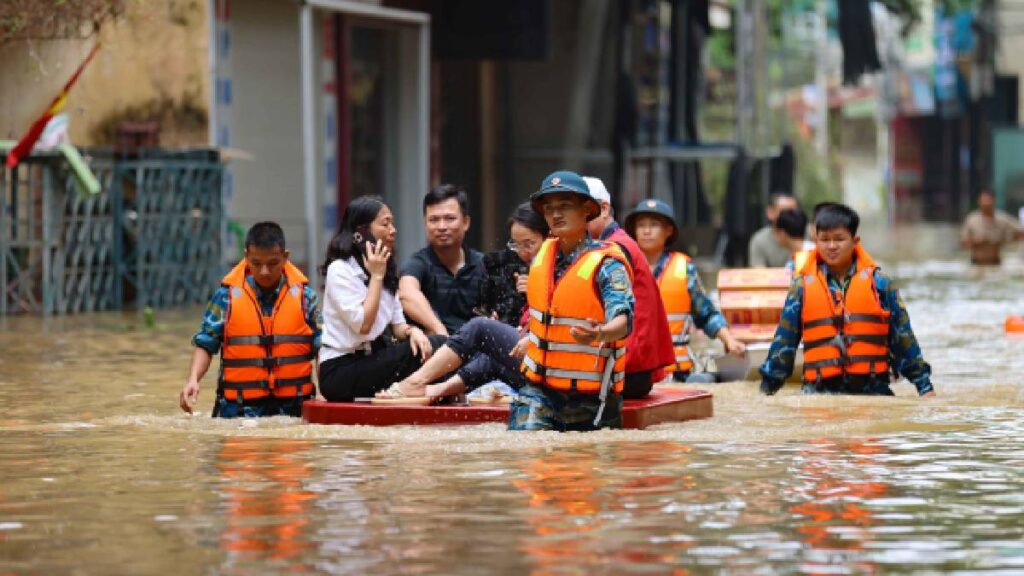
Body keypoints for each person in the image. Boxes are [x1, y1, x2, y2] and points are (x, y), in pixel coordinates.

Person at [379, 170, 635, 432]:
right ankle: (431, 386)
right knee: (523, 456)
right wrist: (532, 338)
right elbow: (548, 316)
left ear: (587, 210)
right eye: (549, 208)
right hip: (540, 389)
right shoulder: (544, 256)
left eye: (565, 206)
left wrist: (600, 332)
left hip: (590, 399)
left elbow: (624, 320)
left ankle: (427, 385)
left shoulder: (607, 263)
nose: (556, 214)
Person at [759, 203, 936, 397]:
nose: (832, 246)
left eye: (839, 239)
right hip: (819, 394)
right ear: (816, 241)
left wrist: (924, 387)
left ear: (855, 240)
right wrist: (766, 391)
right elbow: (784, 345)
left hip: (872, 393)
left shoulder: (880, 284)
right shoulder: (801, 287)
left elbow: (904, 340)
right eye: (825, 239)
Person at [179, 222, 321, 418]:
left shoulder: (306, 298)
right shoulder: (226, 297)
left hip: (294, 408)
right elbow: (206, 342)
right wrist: (193, 380)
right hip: (239, 409)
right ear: (245, 257)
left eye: (272, 263)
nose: (264, 271)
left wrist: (326, 392)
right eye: (256, 263)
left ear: (285, 257)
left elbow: (322, 346)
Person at [317, 196, 446, 402]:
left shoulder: (387, 268)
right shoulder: (340, 269)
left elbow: (397, 325)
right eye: (385, 224)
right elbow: (363, 325)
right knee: (441, 348)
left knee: (437, 347)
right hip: (340, 370)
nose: (393, 230)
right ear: (361, 233)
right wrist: (376, 277)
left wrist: (413, 332)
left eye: (392, 223)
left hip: (373, 359)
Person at [625, 198, 746, 382]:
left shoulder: (684, 268)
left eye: (654, 225)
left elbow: (706, 314)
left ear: (668, 230)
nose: (647, 231)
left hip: (678, 372)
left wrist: (729, 340)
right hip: (636, 370)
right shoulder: (623, 267)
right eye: (641, 225)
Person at [584, 177, 675, 398]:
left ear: (603, 209)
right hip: (630, 366)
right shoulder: (612, 243)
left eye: (581, 211)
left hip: (625, 370)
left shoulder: (615, 248)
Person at [398, 184, 486, 335]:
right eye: (434, 220)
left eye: (449, 218)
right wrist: (440, 332)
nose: (441, 226)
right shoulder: (418, 263)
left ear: (466, 222)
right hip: (436, 349)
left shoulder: (484, 265)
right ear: (425, 223)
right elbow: (406, 294)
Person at [475, 202, 549, 327]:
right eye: (515, 244)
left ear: (547, 237)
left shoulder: (557, 265)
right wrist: (489, 315)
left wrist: (535, 290)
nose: (522, 251)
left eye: (529, 244)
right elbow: (480, 306)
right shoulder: (497, 263)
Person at [959, 189, 1024, 265]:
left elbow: (1020, 232)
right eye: (983, 200)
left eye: (988, 200)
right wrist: (977, 241)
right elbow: (963, 242)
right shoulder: (971, 219)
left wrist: (1007, 239)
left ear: (994, 201)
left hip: (995, 262)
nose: (986, 203)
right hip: (976, 262)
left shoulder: (1003, 219)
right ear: (979, 201)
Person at [749, 192, 800, 267]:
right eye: (784, 212)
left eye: (793, 212)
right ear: (770, 212)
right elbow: (759, 273)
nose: (790, 217)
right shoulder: (759, 240)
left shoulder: (810, 234)